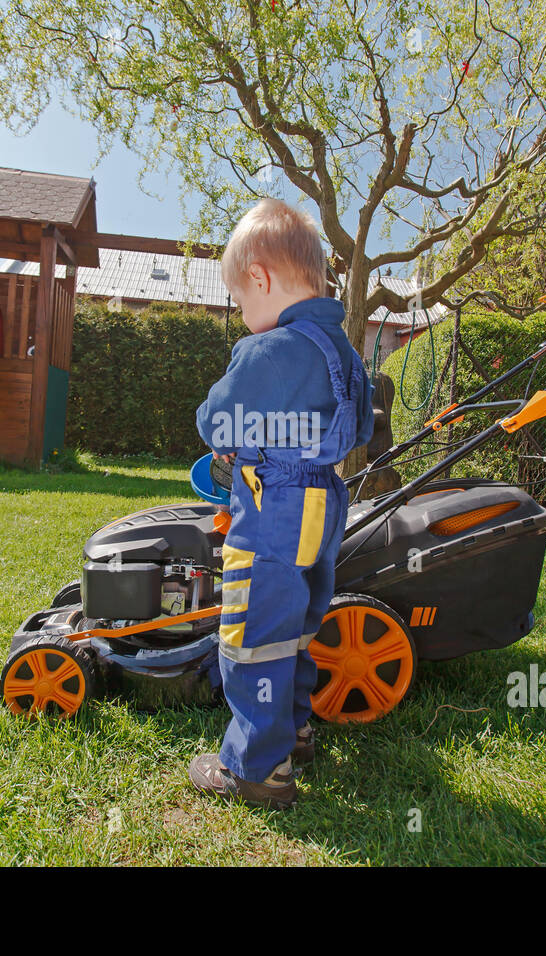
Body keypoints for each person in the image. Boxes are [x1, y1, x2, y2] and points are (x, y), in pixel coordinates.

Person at [188, 198, 374, 809]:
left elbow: (216, 422)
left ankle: (254, 768)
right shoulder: (343, 350)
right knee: (295, 625)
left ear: (262, 278)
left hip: (275, 511)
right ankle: (293, 730)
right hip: (325, 505)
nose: (244, 317)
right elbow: (361, 426)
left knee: (251, 632)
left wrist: (233, 437)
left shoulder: (269, 351)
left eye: (241, 302)